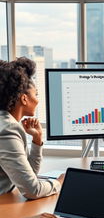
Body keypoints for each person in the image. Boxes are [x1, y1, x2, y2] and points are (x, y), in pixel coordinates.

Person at [0, 57, 64, 198]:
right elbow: (32, 190)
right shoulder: (8, 129)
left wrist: (37, 138)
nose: (38, 99)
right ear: (24, 99)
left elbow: (29, 176)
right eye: (36, 94)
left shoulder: (6, 122)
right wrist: (60, 183)